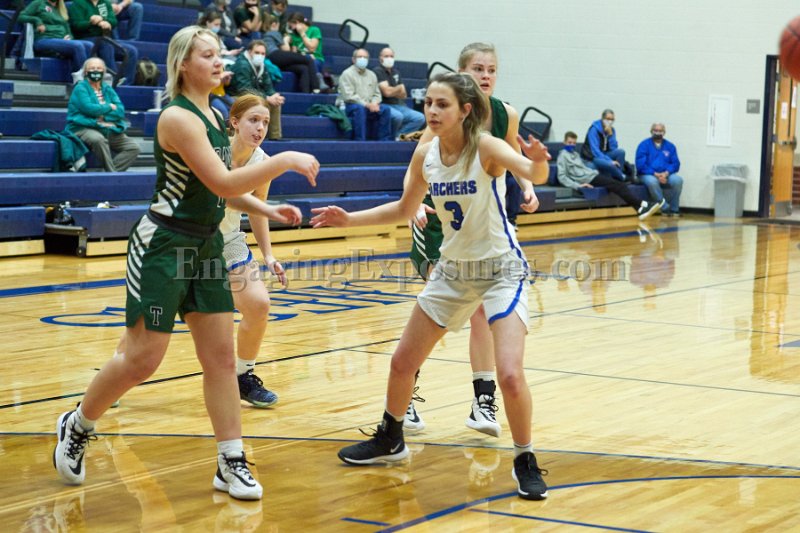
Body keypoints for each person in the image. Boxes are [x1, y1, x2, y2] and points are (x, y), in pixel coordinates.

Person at [52, 25, 319, 501]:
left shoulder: (215, 113)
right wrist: (284, 160)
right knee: (142, 360)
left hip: (207, 246)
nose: (219, 62)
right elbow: (222, 182)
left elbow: (225, 189)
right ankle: (78, 423)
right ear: (183, 64)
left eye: (220, 55)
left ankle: (230, 459)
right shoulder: (177, 118)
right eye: (208, 55)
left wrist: (266, 209)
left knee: (220, 359)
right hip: (165, 244)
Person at [311, 72, 550, 501]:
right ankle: (391, 437)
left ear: (465, 110)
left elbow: (533, 172)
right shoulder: (426, 153)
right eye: (429, 104)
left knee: (511, 375)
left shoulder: (487, 148)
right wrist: (349, 219)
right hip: (453, 270)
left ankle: (525, 459)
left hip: (500, 268)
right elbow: (405, 208)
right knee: (403, 361)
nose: (433, 111)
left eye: (443, 104)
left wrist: (540, 162)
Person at [110, 93, 302, 409]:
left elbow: (257, 209)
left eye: (265, 122)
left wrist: (268, 255)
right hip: (186, 237)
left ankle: (243, 376)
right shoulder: (212, 151)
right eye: (253, 120)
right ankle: (115, 375)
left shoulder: (262, 162)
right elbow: (219, 192)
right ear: (234, 122)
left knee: (258, 305)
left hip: (228, 242)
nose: (260, 128)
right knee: (150, 321)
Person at [405, 42, 546, 437]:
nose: (486, 75)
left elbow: (513, 154)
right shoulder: (445, 114)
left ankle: (482, 401)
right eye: (478, 69)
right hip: (439, 223)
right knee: (431, 316)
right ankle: (405, 397)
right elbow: (419, 162)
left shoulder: (505, 114)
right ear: (461, 74)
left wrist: (527, 186)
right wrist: (412, 206)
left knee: (483, 312)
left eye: (491, 69)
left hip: (481, 223)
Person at [558, 131, 664, 220]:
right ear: (564, 142)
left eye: (573, 143)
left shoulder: (575, 154)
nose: (571, 145)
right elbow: (562, 177)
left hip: (592, 175)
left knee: (618, 185)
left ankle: (640, 209)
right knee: (619, 185)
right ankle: (644, 204)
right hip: (587, 179)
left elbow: (584, 169)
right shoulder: (562, 156)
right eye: (569, 142)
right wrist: (577, 186)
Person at [66, 58, 140, 172]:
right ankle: (111, 174)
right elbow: (89, 109)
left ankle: (107, 174)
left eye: (99, 68)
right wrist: (109, 106)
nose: (96, 71)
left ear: (104, 71)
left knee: (133, 147)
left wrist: (104, 117)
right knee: (98, 139)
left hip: (106, 127)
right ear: (85, 71)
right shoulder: (80, 88)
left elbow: (120, 110)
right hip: (83, 127)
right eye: (92, 68)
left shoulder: (107, 88)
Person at [68, 0, 139, 85]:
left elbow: (113, 21)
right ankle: (113, 78)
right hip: (85, 39)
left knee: (131, 51)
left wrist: (106, 22)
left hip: (104, 38)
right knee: (105, 43)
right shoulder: (78, 3)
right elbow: (76, 25)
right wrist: (91, 23)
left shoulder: (105, 3)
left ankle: (126, 84)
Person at [18, 0, 95, 74]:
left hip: (61, 41)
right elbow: (21, 16)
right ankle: (82, 77)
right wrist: (37, 21)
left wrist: (70, 38)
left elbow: (67, 29)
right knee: (77, 45)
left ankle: (86, 73)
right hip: (44, 39)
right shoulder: (39, 3)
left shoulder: (62, 8)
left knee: (90, 45)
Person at [227, 39, 284, 140]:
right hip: (236, 95)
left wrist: (274, 96)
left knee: (275, 103)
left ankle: (275, 137)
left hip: (253, 95)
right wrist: (267, 98)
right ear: (249, 52)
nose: (260, 56)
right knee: (260, 101)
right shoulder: (242, 64)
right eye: (257, 52)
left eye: (263, 53)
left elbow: (268, 87)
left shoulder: (262, 66)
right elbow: (244, 89)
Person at [336, 48, 392, 142]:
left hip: (369, 106)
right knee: (359, 109)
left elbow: (377, 94)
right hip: (350, 105)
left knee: (386, 109)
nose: (363, 59)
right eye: (360, 57)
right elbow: (349, 96)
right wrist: (367, 104)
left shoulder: (372, 75)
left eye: (365, 57)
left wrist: (374, 103)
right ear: (353, 59)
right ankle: (360, 140)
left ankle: (383, 140)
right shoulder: (347, 74)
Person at [373, 47, 425, 139]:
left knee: (420, 117)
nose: (389, 58)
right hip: (384, 104)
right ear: (380, 58)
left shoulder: (396, 72)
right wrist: (398, 88)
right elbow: (387, 93)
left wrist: (392, 90)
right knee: (398, 116)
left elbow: (403, 95)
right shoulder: (377, 71)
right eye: (386, 56)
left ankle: (398, 136)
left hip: (398, 104)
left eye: (391, 56)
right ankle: (391, 138)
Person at [635, 123, 684, 217]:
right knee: (652, 181)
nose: (658, 133)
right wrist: (655, 174)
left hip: (666, 174)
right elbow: (640, 165)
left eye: (660, 131)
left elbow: (676, 164)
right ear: (651, 131)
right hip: (647, 174)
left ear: (664, 132)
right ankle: (665, 208)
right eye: (655, 130)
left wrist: (666, 173)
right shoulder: (644, 145)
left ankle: (674, 209)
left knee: (678, 180)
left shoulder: (670, 146)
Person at [264, 15, 319, 93]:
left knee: (303, 69)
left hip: (276, 62)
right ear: (274, 25)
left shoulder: (266, 35)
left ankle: (306, 94)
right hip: (275, 55)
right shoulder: (274, 33)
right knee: (309, 59)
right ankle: (316, 88)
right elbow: (286, 49)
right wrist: (285, 40)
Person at [580, 109, 632, 181]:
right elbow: (595, 151)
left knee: (621, 152)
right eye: (608, 119)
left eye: (612, 119)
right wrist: (609, 160)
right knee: (610, 164)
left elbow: (614, 148)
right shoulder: (594, 129)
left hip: (604, 154)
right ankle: (622, 177)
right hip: (592, 157)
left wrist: (610, 135)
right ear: (602, 119)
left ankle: (617, 177)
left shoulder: (612, 130)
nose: (610, 121)